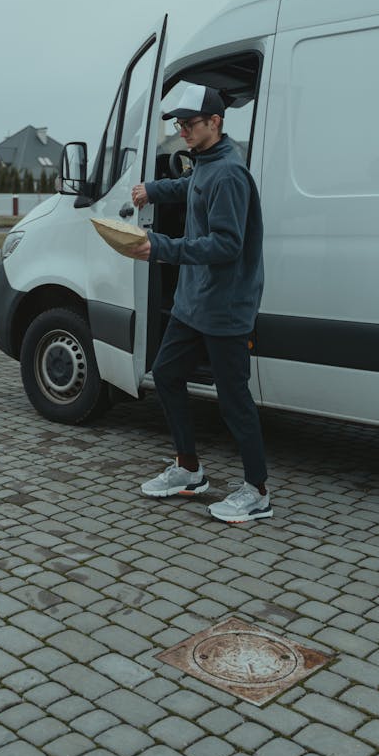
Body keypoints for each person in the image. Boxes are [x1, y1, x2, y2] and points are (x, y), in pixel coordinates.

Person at [129, 82, 271, 524]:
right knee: (168, 374)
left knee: (233, 400)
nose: (183, 130)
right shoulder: (208, 164)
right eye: (179, 124)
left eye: (190, 124)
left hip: (225, 306)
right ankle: (189, 470)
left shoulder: (229, 173)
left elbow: (226, 245)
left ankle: (257, 492)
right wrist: (152, 189)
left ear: (216, 122)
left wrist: (161, 247)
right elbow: (191, 185)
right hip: (195, 301)